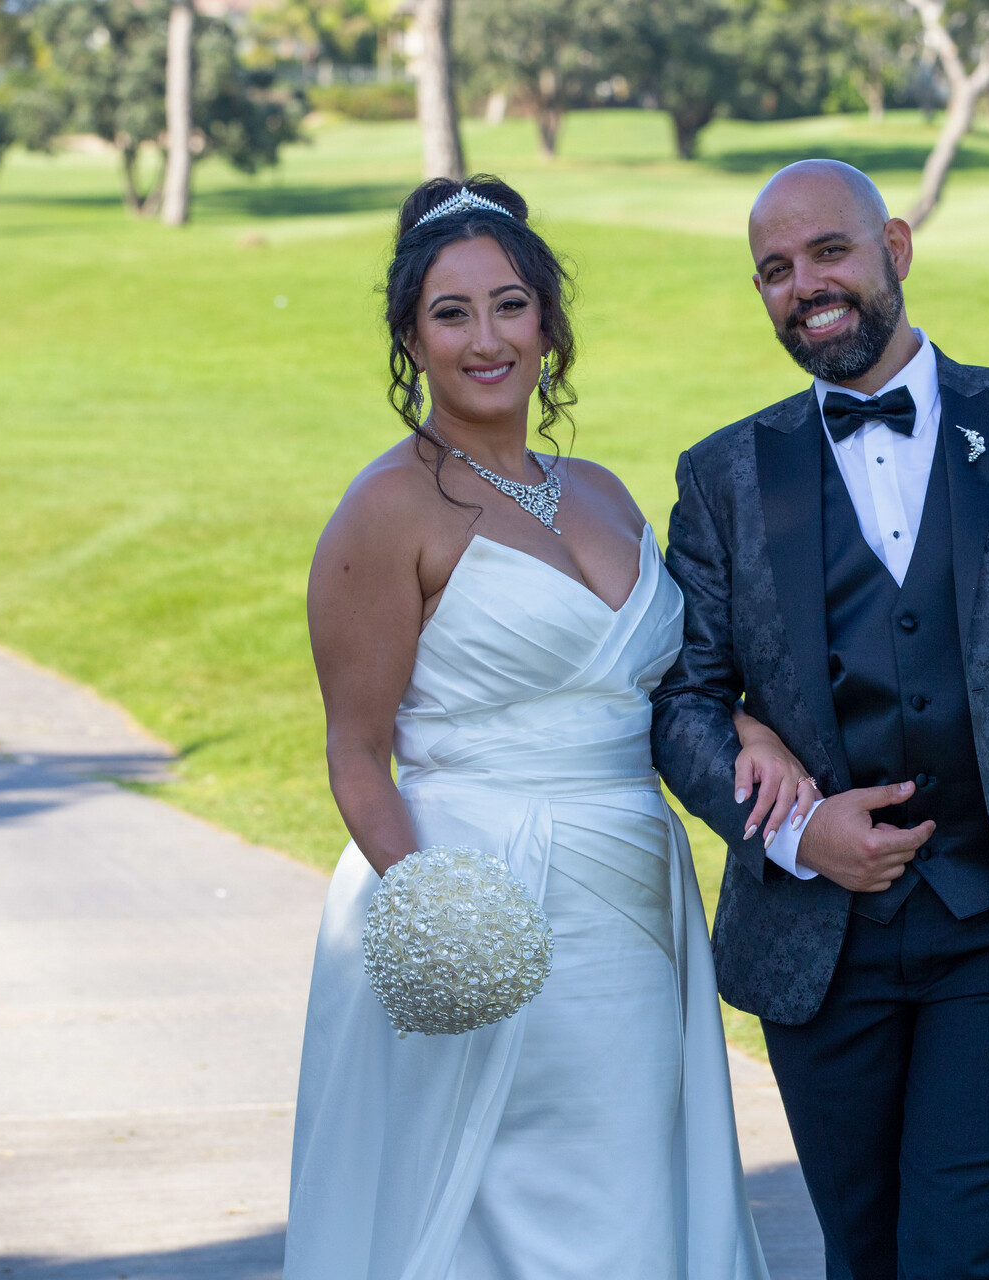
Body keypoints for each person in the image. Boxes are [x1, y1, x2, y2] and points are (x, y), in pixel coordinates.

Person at [651, 159, 989, 1279]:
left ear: (895, 249)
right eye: (773, 269)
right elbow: (680, 701)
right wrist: (795, 833)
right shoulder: (722, 474)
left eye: (829, 252)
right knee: (865, 1253)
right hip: (818, 945)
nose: (804, 284)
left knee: (964, 1252)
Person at [285, 175, 813, 1280]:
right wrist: (442, 917)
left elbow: (670, 680)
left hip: (632, 886)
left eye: (512, 304)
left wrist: (748, 724)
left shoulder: (605, 491)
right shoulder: (385, 509)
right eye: (452, 312)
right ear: (411, 340)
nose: (488, 338)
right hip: (476, 889)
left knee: (632, 1170)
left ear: (550, 324)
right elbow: (353, 749)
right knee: (516, 1197)